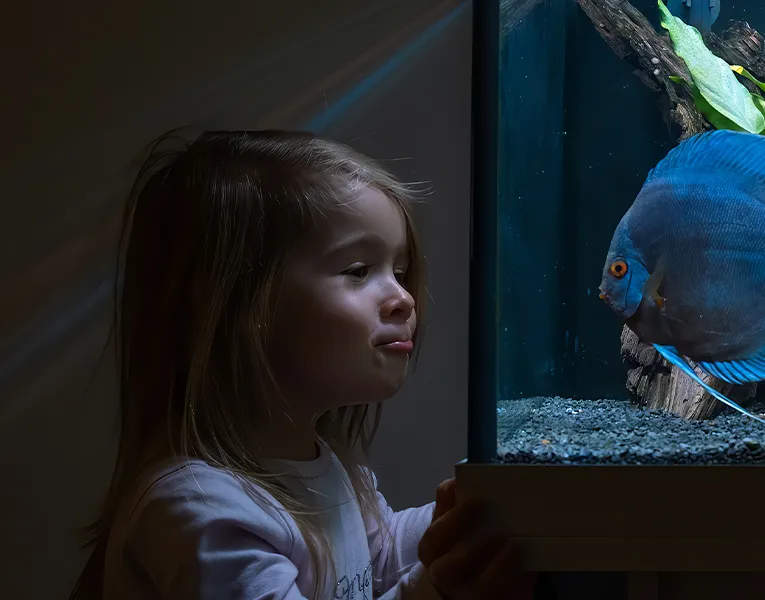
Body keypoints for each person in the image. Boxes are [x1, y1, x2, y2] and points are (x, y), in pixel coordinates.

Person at [67, 129, 535, 599]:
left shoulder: (324, 469)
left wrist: (482, 506)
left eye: (397, 271)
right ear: (234, 307)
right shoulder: (200, 510)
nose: (404, 298)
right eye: (358, 271)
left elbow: (384, 557)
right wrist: (436, 592)